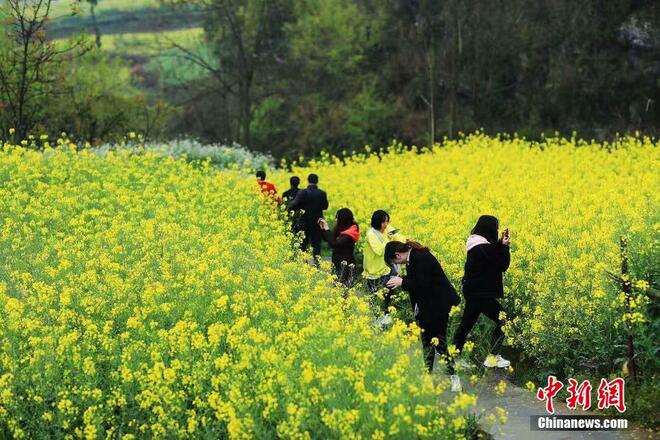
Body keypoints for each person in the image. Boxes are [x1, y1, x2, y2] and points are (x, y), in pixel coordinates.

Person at [385, 240, 462, 391]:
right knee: (427, 342)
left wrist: (402, 282)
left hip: (439, 305)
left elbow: (423, 285)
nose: (397, 265)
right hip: (428, 306)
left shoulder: (420, 257)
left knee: (438, 342)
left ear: (397, 255)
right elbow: (418, 285)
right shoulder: (412, 258)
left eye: (394, 262)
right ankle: (428, 378)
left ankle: (455, 378)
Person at [452, 215, 511, 369]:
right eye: (495, 228)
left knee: (466, 323)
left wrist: (500, 243)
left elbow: (490, 255)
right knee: (504, 319)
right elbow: (501, 264)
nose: (496, 231)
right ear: (489, 229)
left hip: (473, 290)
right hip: (481, 293)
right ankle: (492, 357)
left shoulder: (476, 243)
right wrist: (505, 246)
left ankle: (454, 357)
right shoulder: (482, 247)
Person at [363, 210, 406, 322]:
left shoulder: (387, 229)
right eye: (383, 222)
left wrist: (403, 240)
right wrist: (388, 238)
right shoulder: (371, 235)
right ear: (377, 222)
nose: (386, 224)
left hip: (386, 268)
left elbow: (399, 238)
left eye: (387, 221)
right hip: (374, 270)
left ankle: (386, 316)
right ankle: (378, 319)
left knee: (388, 293)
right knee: (375, 296)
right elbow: (379, 251)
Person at [286, 173, 329, 257]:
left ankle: (304, 262)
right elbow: (325, 206)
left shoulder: (303, 192)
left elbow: (294, 204)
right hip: (317, 222)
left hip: (304, 222)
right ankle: (317, 262)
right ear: (317, 181)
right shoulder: (322, 193)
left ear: (308, 181)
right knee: (316, 243)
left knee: (304, 243)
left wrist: (288, 210)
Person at [319, 208, 359, 286]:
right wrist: (323, 229)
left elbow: (334, 243)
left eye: (337, 218)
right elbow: (330, 241)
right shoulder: (342, 230)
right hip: (338, 264)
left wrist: (327, 229)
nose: (335, 220)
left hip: (346, 267)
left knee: (343, 290)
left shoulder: (349, 234)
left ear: (343, 220)